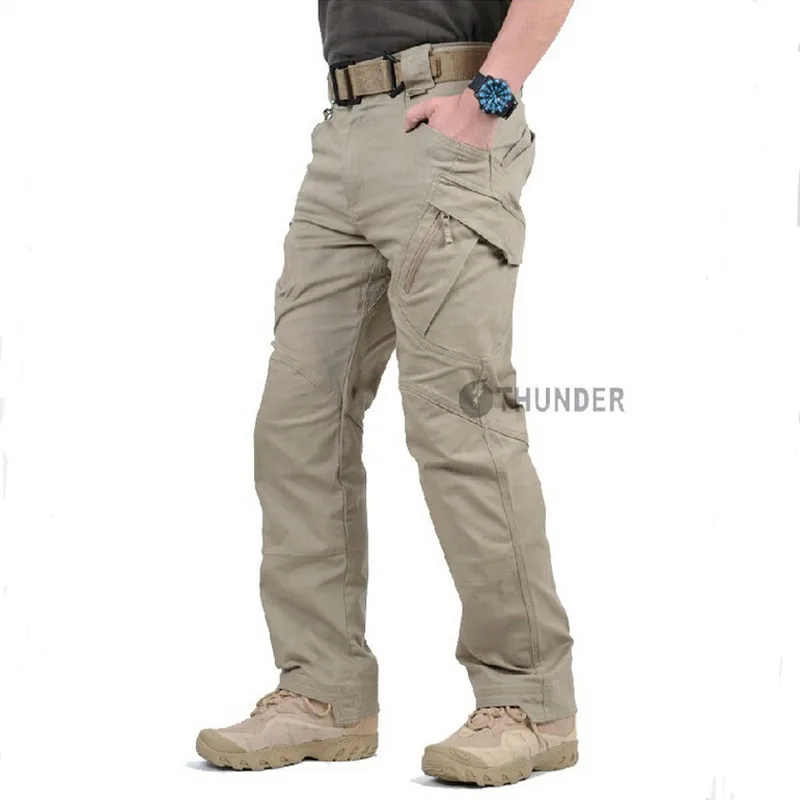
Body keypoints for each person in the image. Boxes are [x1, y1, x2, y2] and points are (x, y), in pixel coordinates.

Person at [196, 0, 577, 786]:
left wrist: (489, 99)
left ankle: (529, 702)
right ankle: (323, 691)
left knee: (461, 427)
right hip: (342, 134)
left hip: (451, 114)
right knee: (296, 424)